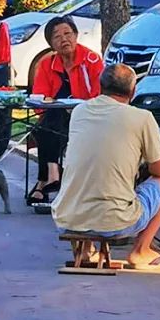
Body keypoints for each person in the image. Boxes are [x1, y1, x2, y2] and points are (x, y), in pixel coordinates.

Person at [52, 63, 160, 269]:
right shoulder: (142, 117)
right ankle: (141, 251)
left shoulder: (79, 111)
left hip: (66, 217)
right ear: (133, 90)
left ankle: (85, 250)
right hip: (116, 221)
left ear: (100, 86)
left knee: (88, 177)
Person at [28, 15, 104, 204]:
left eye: (68, 34)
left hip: (87, 116)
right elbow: (39, 97)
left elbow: (99, 96)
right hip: (56, 118)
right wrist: (49, 103)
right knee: (49, 121)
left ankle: (44, 181)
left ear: (76, 35)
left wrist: (76, 109)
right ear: (51, 44)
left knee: (48, 126)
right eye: (57, 36)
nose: (64, 39)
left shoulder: (92, 60)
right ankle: (52, 173)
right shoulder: (47, 64)